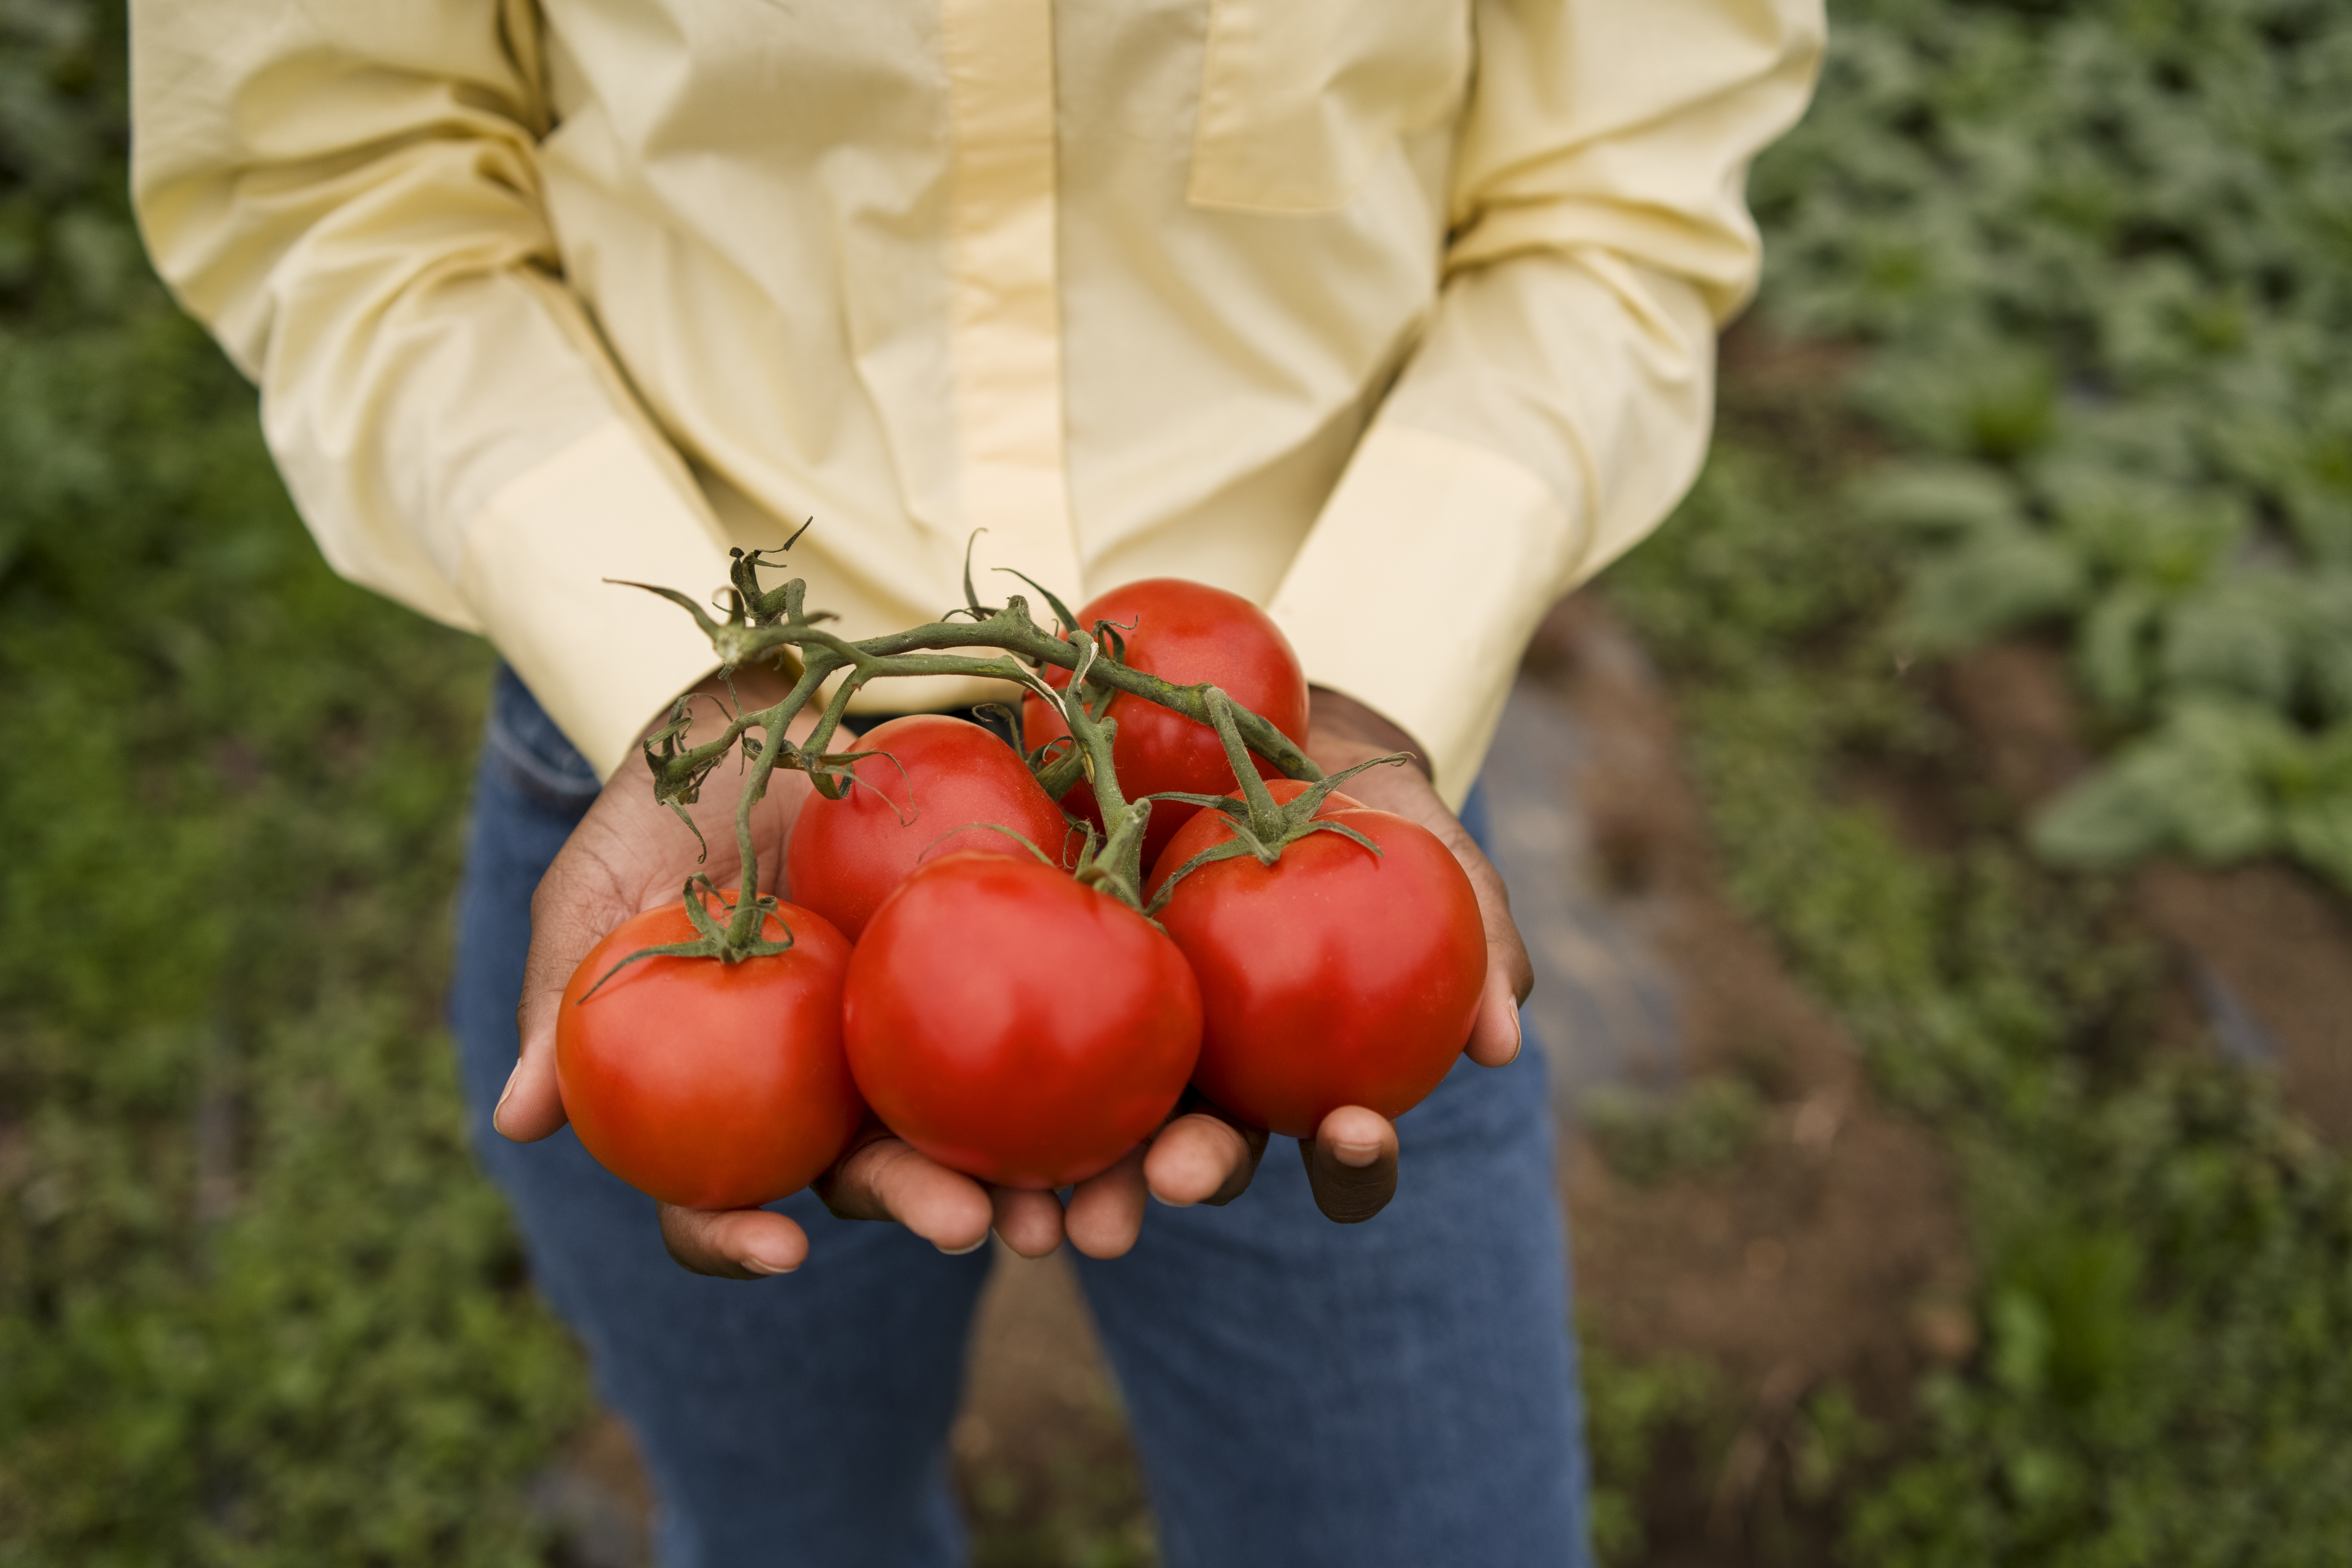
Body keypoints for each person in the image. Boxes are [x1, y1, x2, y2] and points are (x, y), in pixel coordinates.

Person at [131, 3, 1823, 1562]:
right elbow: (341, 168)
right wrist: (701, 694)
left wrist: (1376, 666)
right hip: (710, 841)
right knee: (790, 1532)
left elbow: (1620, 177)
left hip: (1297, 809)